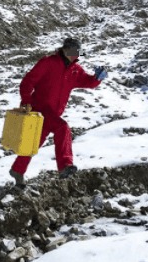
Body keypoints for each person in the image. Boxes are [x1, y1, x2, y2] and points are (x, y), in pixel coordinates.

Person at [9, 37, 107, 186]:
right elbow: (28, 82)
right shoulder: (48, 62)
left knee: (33, 144)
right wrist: (26, 102)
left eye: (78, 52)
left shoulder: (75, 70)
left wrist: (97, 78)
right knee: (62, 127)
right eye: (73, 50)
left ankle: (17, 170)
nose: (76, 54)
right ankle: (65, 166)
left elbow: (88, 82)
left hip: (53, 114)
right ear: (65, 49)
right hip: (39, 110)